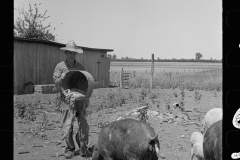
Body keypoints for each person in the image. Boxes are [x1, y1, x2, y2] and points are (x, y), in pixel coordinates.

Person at [53, 40, 92, 159]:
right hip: (67, 99)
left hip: (79, 99)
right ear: (65, 53)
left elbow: (85, 80)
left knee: (83, 124)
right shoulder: (60, 66)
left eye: (74, 53)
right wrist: (61, 77)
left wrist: (84, 94)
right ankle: (69, 149)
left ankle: (83, 147)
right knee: (67, 125)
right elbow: (56, 82)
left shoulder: (80, 66)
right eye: (69, 53)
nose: (72, 55)